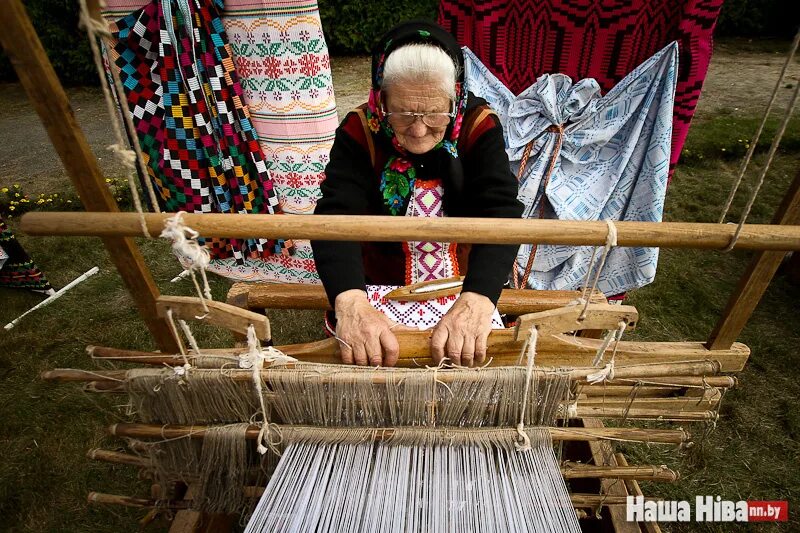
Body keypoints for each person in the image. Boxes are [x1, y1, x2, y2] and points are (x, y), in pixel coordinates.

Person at [311, 20, 522, 368]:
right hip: (379, 289)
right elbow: (335, 216)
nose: (420, 130)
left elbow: (500, 211)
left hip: (464, 284)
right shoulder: (359, 130)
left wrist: (477, 299)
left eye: (435, 113)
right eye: (404, 113)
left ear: (455, 96)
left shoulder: (478, 126)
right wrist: (350, 303)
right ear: (382, 98)